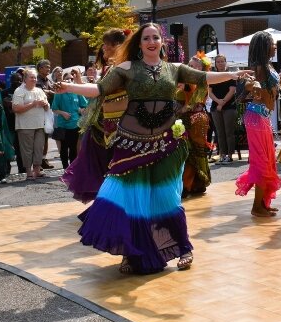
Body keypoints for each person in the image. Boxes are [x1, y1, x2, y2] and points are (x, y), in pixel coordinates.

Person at [55, 23, 252, 274]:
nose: (151, 41)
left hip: (167, 143)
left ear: (162, 42)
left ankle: (183, 248)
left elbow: (204, 77)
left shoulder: (175, 69)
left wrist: (234, 75)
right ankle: (129, 253)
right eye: (146, 38)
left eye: (155, 37)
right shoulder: (126, 69)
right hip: (130, 142)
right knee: (124, 199)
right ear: (139, 43)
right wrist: (68, 87)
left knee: (167, 199)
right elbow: (99, 89)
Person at [62, 28, 129, 202]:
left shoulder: (125, 67)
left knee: (114, 164)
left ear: (117, 46)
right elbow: (98, 92)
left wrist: (72, 86)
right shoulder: (111, 68)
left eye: (106, 45)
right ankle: (107, 200)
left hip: (121, 126)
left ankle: (114, 200)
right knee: (100, 162)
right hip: (102, 124)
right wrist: (75, 84)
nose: (103, 49)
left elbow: (100, 91)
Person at [235, 31, 281, 217]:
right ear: (264, 46)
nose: (275, 46)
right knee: (261, 162)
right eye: (272, 43)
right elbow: (246, 83)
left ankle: (263, 203)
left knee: (268, 161)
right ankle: (257, 207)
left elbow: (276, 85)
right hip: (255, 118)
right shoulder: (257, 68)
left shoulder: (267, 66)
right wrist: (251, 85)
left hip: (262, 118)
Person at [178, 54, 213, 197]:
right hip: (187, 119)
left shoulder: (202, 82)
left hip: (195, 120)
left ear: (201, 68)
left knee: (193, 152)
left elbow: (194, 103)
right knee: (188, 151)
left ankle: (189, 185)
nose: (190, 68)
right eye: (189, 65)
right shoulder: (185, 80)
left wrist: (180, 109)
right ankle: (195, 184)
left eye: (193, 66)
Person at [12, 68, 49, 180]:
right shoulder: (19, 91)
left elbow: (47, 106)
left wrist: (45, 104)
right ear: (25, 79)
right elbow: (16, 108)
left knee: (39, 148)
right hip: (25, 125)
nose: (34, 79)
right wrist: (33, 104)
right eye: (31, 77)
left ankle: (37, 171)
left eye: (35, 77)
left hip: (39, 124)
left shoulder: (39, 90)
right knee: (27, 150)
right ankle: (28, 172)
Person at [51, 70, 87, 171]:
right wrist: (63, 113)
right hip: (63, 125)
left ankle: (72, 168)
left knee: (73, 147)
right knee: (64, 148)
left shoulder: (77, 92)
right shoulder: (59, 93)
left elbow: (84, 105)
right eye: (67, 79)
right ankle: (65, 167)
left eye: (71, 79)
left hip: (75, 124)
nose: (70, 80)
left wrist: (81, 110)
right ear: (64, 80)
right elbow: (54, 108)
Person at [208, 54, 237, 165]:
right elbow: (210, 92)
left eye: (222, 61)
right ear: (215, 64)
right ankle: (222, 154)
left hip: (229, 106)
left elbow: (232, 90)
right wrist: (218, 102)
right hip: (215, 107)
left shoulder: (231, 75)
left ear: (226, 62)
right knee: (219, 133)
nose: (220, 63)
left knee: (229, 132)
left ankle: (229, 155)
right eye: (218, 62)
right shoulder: (213, 76)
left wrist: (223, 102)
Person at [35, 59, 55, 170]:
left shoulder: (49, 80)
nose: (48, 69)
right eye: (46, 67)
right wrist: (49, 92)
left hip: (48, 111)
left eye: (49, 67)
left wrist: (49, 92)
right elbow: (40, 93)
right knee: (39, 137)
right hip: (38, 112)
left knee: (46, 136)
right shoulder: (36, 80)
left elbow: (52, 92)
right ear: (40, 68)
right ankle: (37, 161)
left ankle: (43, 159)